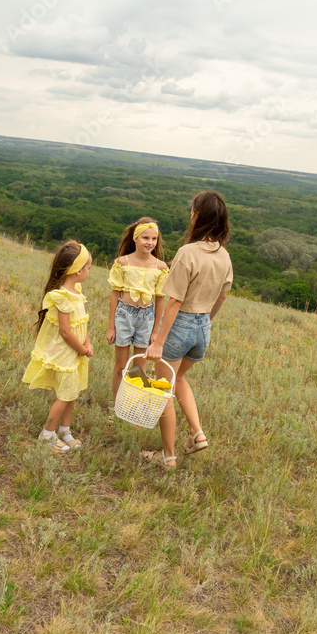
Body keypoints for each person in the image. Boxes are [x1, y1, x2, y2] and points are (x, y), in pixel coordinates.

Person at [143, 191, 232, 469]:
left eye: (192, 211)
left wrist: (158, 341)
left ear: (198, 216)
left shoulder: (187, 253)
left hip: (180, 325)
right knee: (179, 379)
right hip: (203, 327)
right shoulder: (224, 256)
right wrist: (206, 322)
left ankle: (167, 456)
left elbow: (175, 301)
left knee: (163, 389)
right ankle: (197, 433)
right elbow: (222, 296)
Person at [21, 240, 94, 453]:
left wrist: (87, 342)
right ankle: (47, 434)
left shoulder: (77, 290)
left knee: (71, 393)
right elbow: (65, 331)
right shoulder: (61, 296)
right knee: (64, 396)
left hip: (76, 350)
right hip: (65, 352)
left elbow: (81, 322)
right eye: (88, 267)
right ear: (77, 271)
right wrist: (81, 349)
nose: (89, 270)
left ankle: (65, 430)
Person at [106, 217, 169, 401]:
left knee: (139, 368)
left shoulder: (160, 267)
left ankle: (133, 404)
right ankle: (116, 403)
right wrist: (111, 327)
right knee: (121, 365)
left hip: (146, 318)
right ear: (135, 238)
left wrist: (156, 331)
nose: (150, 242)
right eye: (145, 238)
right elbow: (114, 295)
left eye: (154, 239)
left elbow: (159, 300)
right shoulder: (122, 263)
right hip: (124, 315)